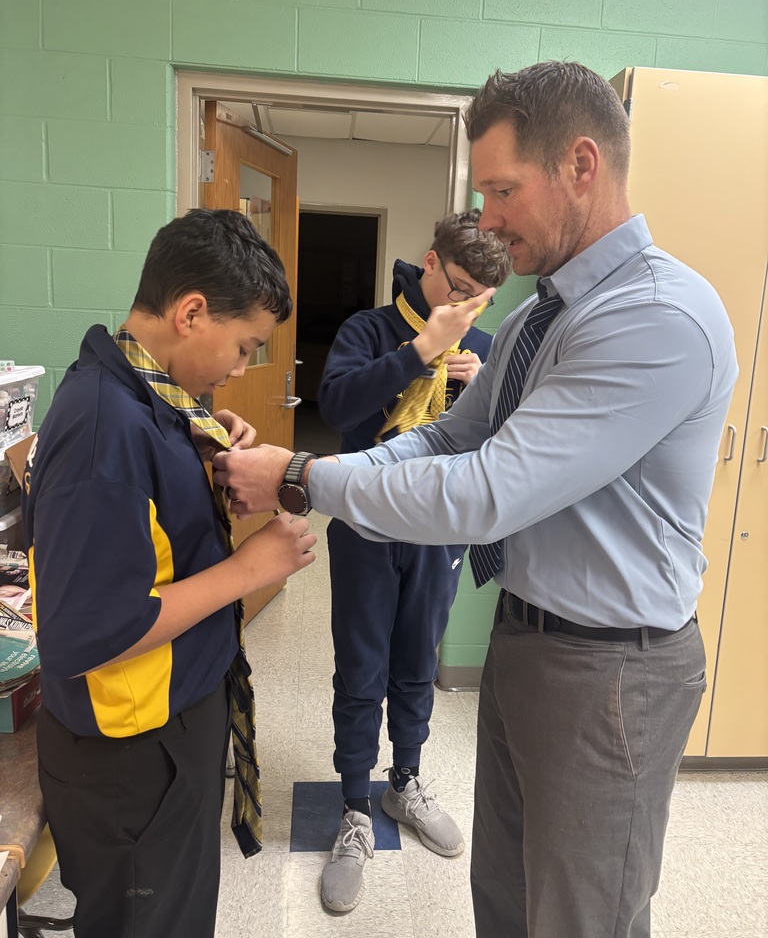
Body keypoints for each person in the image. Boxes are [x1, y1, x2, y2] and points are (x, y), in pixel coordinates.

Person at [215, 61, 738, 938]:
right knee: (504, 898)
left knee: (581, 916)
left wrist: (304, 479)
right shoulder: (545, 318)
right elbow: (453, 439)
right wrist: (331, 469)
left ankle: (403, 779)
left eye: (502, 189)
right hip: (529, 637)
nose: (487, 219)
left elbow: (490, 490)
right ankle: (361, 796)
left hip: (614, 668)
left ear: (581, 164)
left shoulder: (654, 316)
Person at [22, 209, 317, 938]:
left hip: (168, 724)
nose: (242, 369)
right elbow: (88, 632)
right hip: (130, 760)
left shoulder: (144, 395)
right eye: (243, 345)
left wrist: (206, 442)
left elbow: (144, 529)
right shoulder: (104, 428)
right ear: (191, 313)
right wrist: (252, 567)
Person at [315, 209, 511, 912]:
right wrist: (421, 350)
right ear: (429, 263)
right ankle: (353, 809)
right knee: (362, 666)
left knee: (416, 663)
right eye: (455, 288)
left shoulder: (484, 345)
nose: (461, 308)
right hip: (366, 526)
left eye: (476, 300)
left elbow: (507, 446)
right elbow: (337, 405)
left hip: (439, 532)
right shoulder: (369, 329)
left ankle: (405, 782)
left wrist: (484, 382)